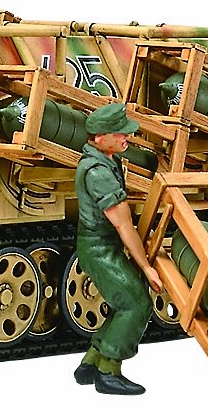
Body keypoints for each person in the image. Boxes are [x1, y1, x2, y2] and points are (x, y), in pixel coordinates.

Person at [72, 103, 163, 395]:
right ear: (100, 137)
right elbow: (123, 224)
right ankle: (108, 373)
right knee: (136, 304)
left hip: (102, 245)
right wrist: (147, 268)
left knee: (123, 302)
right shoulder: (98, 172)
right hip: (99, 248)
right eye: (119, 133)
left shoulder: (105, 161)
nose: (127, 137)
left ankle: (91, 363)